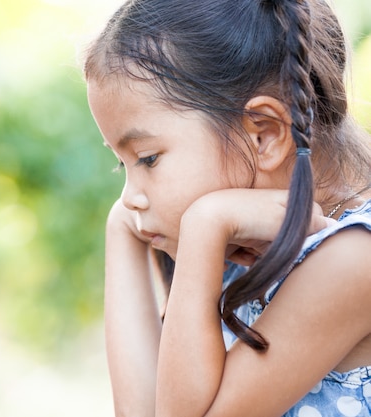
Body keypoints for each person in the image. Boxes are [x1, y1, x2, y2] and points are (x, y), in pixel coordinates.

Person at [83, 0, 371, 416]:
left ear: (265, 134)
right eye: (121, 163)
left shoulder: (353, 259)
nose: (130, 196)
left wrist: (205, 224)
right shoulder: (240, 245)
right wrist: (121, 228)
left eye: (147, 159)